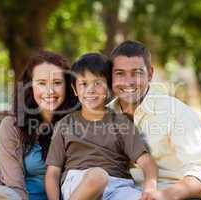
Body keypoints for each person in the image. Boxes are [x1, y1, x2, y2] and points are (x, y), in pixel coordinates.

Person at [108, 40, 201, 200]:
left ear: (150, 74)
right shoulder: (103, 116)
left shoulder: (177, 113)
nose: (128, 81)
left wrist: (162, 195)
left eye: (137, 73)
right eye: (120, 73)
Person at [45, 53, 158, 200]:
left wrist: (150, 186)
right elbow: (52, 172)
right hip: (79, 185)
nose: (91, 90)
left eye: (98, 83)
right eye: (84, 84)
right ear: (74, 89)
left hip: (117, 186)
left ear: (109, 87)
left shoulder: (121, 123)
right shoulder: (65, 125)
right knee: (98, 176)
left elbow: (146, 161)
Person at [0, 50, 78, 200]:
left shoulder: (76, 123)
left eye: (57, 82)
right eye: (42, 83)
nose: (50, 91)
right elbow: (14, 186)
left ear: (68, 86)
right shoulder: (12, 126)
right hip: (14, 194)